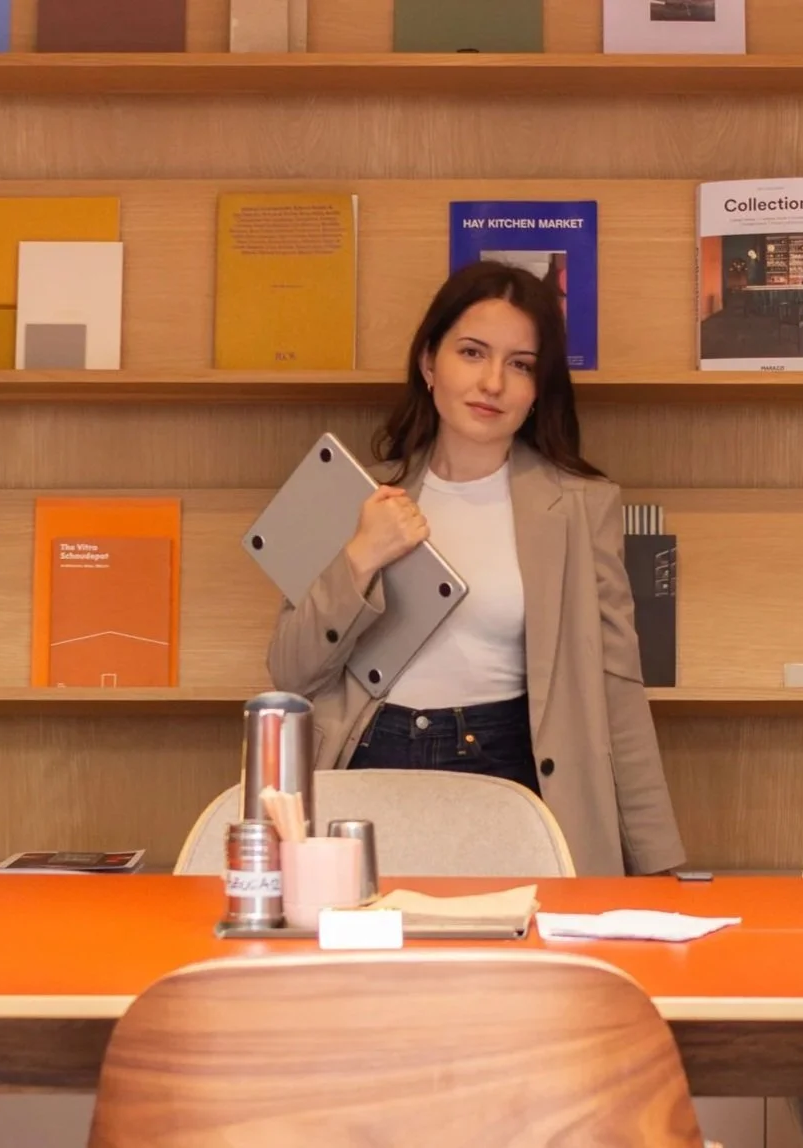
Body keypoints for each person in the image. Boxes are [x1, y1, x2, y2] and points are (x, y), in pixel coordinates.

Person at [267, 260, 685, 876]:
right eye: (471, 353)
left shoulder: (581, 507)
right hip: (367, 763)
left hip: (508, 765)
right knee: (373, 936)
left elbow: (615, 688)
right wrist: (361, 556)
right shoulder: (356, 496)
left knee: (509, 938)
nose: (493, 382)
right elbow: (290, 671)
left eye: (521, 365)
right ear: (428, 363)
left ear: (538, 388)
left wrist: (656, 860)